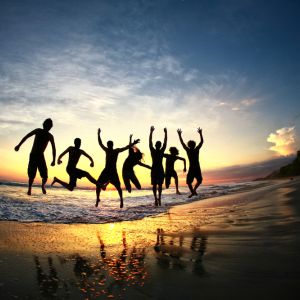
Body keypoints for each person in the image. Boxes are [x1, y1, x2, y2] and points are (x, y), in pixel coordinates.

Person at [96, 128, 139, 208]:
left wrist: (133, 143)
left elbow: (126, 147)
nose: (109, 146)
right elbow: (100, 143)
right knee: (98, 184)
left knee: (118, 187)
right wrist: (98, 134)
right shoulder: (106, 150)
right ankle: (98, 198)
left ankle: (121, 200)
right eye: (108, 145)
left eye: (110, 145)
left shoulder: (116, 151)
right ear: (108, 145)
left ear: (112, 145)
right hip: (106, 170)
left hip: (113, 172)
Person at [14, 118, 56, 195]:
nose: (47, 127)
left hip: (40, 156)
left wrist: (54, 160)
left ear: (50, 127)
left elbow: (53, 148)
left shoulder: (50, 136)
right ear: (44, 125)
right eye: (46, 125)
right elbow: (27, 136)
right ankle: (29, 188)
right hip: (33, 155)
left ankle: (43, 186)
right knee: (31, 175)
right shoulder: (38, 130)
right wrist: (19, 145)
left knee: (45, 176)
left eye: (49, 126)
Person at [177, 127, 203, 197]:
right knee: (196, 181)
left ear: (190, 145)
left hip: (193, 167)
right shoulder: (195, 149)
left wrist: (179, 135)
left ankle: (193, 192)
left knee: (190, 182)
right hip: (196, 167)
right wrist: (200, 134)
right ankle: (193, 191)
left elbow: (182, 144)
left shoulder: (190, 150)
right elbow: (201, 142)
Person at [149, 126, 167, 206]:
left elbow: (150, 142)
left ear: (157, 145)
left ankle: (157, 199)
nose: (158, 145)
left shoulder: (155, 151)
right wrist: (165, 133)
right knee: (157, 185)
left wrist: (151, 132)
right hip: (158, 169)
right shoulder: (158, 151)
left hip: (156, 169)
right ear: (158, 145)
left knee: (157, 185)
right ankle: (157, 199)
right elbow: (165, 142)